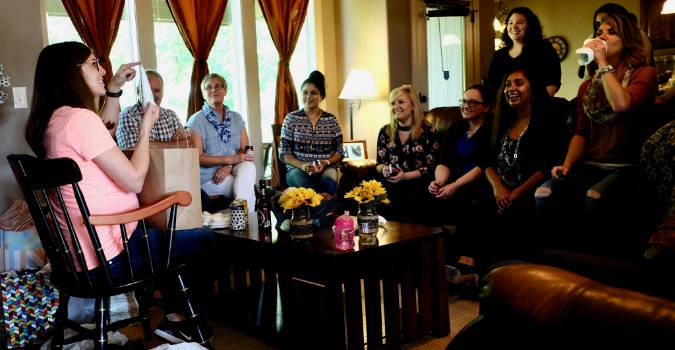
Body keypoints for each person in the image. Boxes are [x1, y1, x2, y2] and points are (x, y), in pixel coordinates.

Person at [23, 41, 215, 344]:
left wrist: (113, 89)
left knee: (163, 239)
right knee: (204, 238)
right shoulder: (78, 119)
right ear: (69, 74)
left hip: (78, 260)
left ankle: (176, 318)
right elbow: (136, 182)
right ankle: (181, 319)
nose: (102, 69)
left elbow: (103, 131)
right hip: (110, 256)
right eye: (93, 64)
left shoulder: (54, 121)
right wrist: (144, 129)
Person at [535, 13, 658, 258]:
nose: (601, 36)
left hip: (628, 166)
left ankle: (597, 266)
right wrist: (567, 165)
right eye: (599, 32)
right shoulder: (586, 87)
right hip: (592, 164)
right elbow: (581, 133)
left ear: (627, 40)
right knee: (544, 193)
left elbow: (621, 104)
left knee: (595, 196)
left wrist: (603, 64)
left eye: (610, 32)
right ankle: (556, 263)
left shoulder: (644, 74)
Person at [476, 69, 569, 271]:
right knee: (477, 209)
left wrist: (515, 194)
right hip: (499, 191)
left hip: (526, 192)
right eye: (508, 84)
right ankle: (472, 271)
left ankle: (506, 275)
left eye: (519, 83)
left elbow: (545, 166)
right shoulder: (499, 121)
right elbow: (485, 160)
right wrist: (498, 188)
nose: (511, 89)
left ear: (532, 88)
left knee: (514, 217)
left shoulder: (545, 122)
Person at [428, 84, 494, 281]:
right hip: (452, 181)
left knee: (469, 204)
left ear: (487, 107)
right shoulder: (456, 127)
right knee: (429, 196)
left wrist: (454, 186)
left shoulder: (491, 129)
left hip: (479, 183)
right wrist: (439, 182)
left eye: (473, 102)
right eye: (464, 101)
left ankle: (466, 263)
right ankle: (435, 259)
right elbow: (444, 160)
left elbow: (482, 165)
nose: (466, 105)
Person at [186, 73, 257, 212]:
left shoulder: (236, 118)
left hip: (232, 167)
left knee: (249, 167)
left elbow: (246, 149)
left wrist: (229, 166)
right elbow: (197, 158)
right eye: (209, 87)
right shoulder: (196, 121)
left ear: (225, 91)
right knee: (245, 188)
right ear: (203, 93)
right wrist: (230, 159)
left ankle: (240, 221)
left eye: (219, 86)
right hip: (210, 177)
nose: (214, 89)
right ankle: (246, 223)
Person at [375, 84, 441, 223]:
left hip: (417, 182)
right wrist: (384, 169)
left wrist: (405, 176)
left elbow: (431, 167)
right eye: (393, 103)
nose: (395, 106)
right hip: (391, 181)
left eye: (401, 102)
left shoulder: (429, 131)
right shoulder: (385, 131)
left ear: (413, 106)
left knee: (406, 196)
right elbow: (379, 163)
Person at [281, 70, 344, 203]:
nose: (308, 96)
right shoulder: (291, 119)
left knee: (330, 182)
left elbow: (339, 151)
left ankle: (318, 217)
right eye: (305, 92)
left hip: (325, 168)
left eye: (313, 93)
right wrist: (303, 165)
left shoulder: (331, 120)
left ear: (321, 96)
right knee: (308, 190)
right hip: (297, 169)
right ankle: (318, 218)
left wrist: (325, 163)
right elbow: (285, 154)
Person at [486, 7, 561, 98]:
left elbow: (552, 82)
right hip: (503, 109)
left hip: (536, 108)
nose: (514, 27)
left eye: (519, 22)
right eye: (510, 23)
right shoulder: (499, 55)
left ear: (530, 25)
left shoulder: (544, 49)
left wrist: (540, 105)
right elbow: (490, 86)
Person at [116, 69, 189, 149]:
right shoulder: (127, 116)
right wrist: (174, 144)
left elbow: (190, 144)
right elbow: (132, 150)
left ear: (162, 93)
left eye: (157, 90)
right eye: (148, 90)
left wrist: (148, 144)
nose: (152, 95)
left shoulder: (171, 115)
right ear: (138, 91)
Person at [578, 3, 654, 79]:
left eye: (612, 32)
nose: (603, 25)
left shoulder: (642, 73)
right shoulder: (593, 38)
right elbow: (586, 75)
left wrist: (603, 64)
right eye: (598, 24)